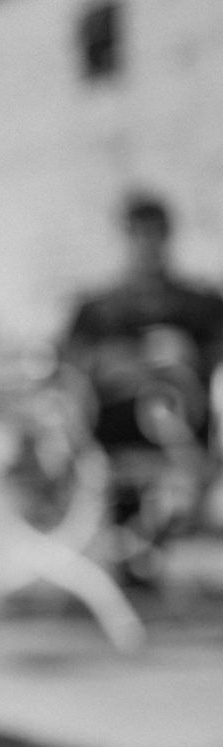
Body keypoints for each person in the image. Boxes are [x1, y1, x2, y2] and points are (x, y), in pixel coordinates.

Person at [57, 191, 223, 580]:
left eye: (155, 234)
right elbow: (69, 365)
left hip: (184, 416)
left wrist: (184, 357)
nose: (147, 244)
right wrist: (126, 364)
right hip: (114, 421)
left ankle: (157, 534)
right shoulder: (98, 308)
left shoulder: (199, 304)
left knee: (166, 411)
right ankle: (136, 543)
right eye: (138, 234)